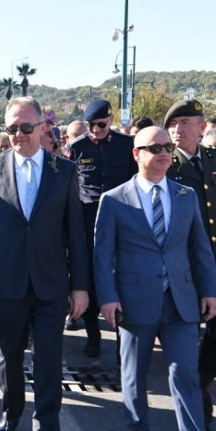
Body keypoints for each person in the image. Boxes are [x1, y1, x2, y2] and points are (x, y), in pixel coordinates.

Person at [0, 97, 89, 431]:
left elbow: (76, 233)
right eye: (12, 128)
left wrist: (80, 286)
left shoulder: (64, 170)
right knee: (8, 354)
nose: (18, 135)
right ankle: (11, 416)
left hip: (51, 281)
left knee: (49, 357)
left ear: (41, 127)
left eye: (25, 127)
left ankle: (47, 420)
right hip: (7, 281)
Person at [94, 126, 216, 431]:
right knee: (134, 379)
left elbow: (200, 249)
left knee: (186, 375)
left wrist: (209, 291)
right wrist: (107, 297)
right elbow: (102, 254)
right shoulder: (114, 199)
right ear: (137, 154)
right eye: (155, 148)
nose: (164, 153)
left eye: (167, 148)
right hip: (135, 305)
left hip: (181, 304)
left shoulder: (185, 196)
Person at [67, 99, 137, 358]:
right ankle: (93, 337)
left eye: (100, 124)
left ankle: (122, 341)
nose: (95, 130)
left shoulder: (126, 145)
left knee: (119, 278)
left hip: (120, 221)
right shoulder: (77, 147)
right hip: (87, 220)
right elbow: (71, 186)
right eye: (90, 125)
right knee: (88, 278)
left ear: (110, 120)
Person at [162, 99, 216, 427]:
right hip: (185, 271)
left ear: (201, 127)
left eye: (185, 122)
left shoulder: (212, 160)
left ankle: (197, 393)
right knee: (186, 349)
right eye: (174, 124)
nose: (178, 129)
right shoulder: (167, 166)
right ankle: (198, 408)